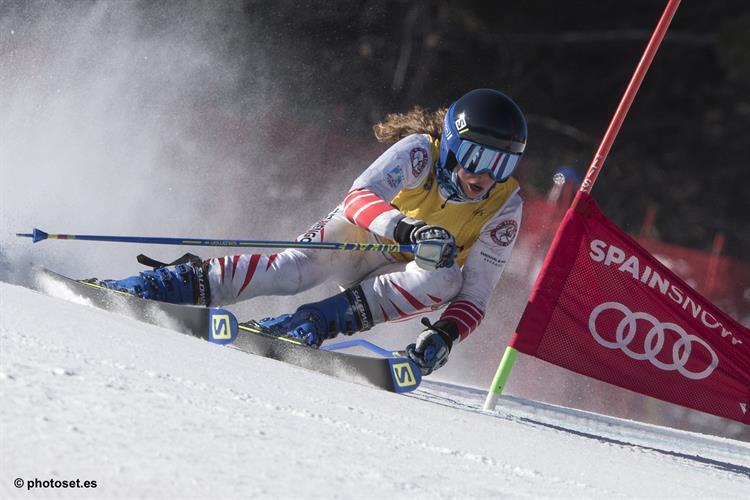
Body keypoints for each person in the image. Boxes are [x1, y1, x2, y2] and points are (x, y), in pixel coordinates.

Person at [100, 88, 527, 376]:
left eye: (503, 164)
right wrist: (406, 230)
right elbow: (359, 198)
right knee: (293, 271)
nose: (487, 175)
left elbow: (475, 295)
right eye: (476, 156)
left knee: (447, 276)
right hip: (358, 239)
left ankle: (309, 325)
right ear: (452, 144)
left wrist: (444, 335)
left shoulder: (505, 207)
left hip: (397, 280)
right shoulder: (420, 152)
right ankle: (167, 285)